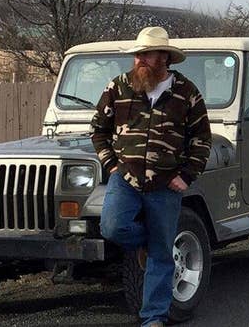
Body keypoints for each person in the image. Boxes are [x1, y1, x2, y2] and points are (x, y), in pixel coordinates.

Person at [92, 26, 212, 326]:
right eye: (138, 55)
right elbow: (98, 130)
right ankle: (149, 239)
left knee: (161, 254)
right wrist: (112, 165)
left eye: (147, 55)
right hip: (125, 179)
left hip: (166, 183)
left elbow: (202, 139)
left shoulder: (186, 92)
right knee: (112, 227)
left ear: (164, 58)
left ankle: (153, 317)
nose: (140, 60)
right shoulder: (118, 87)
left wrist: (187, 176)